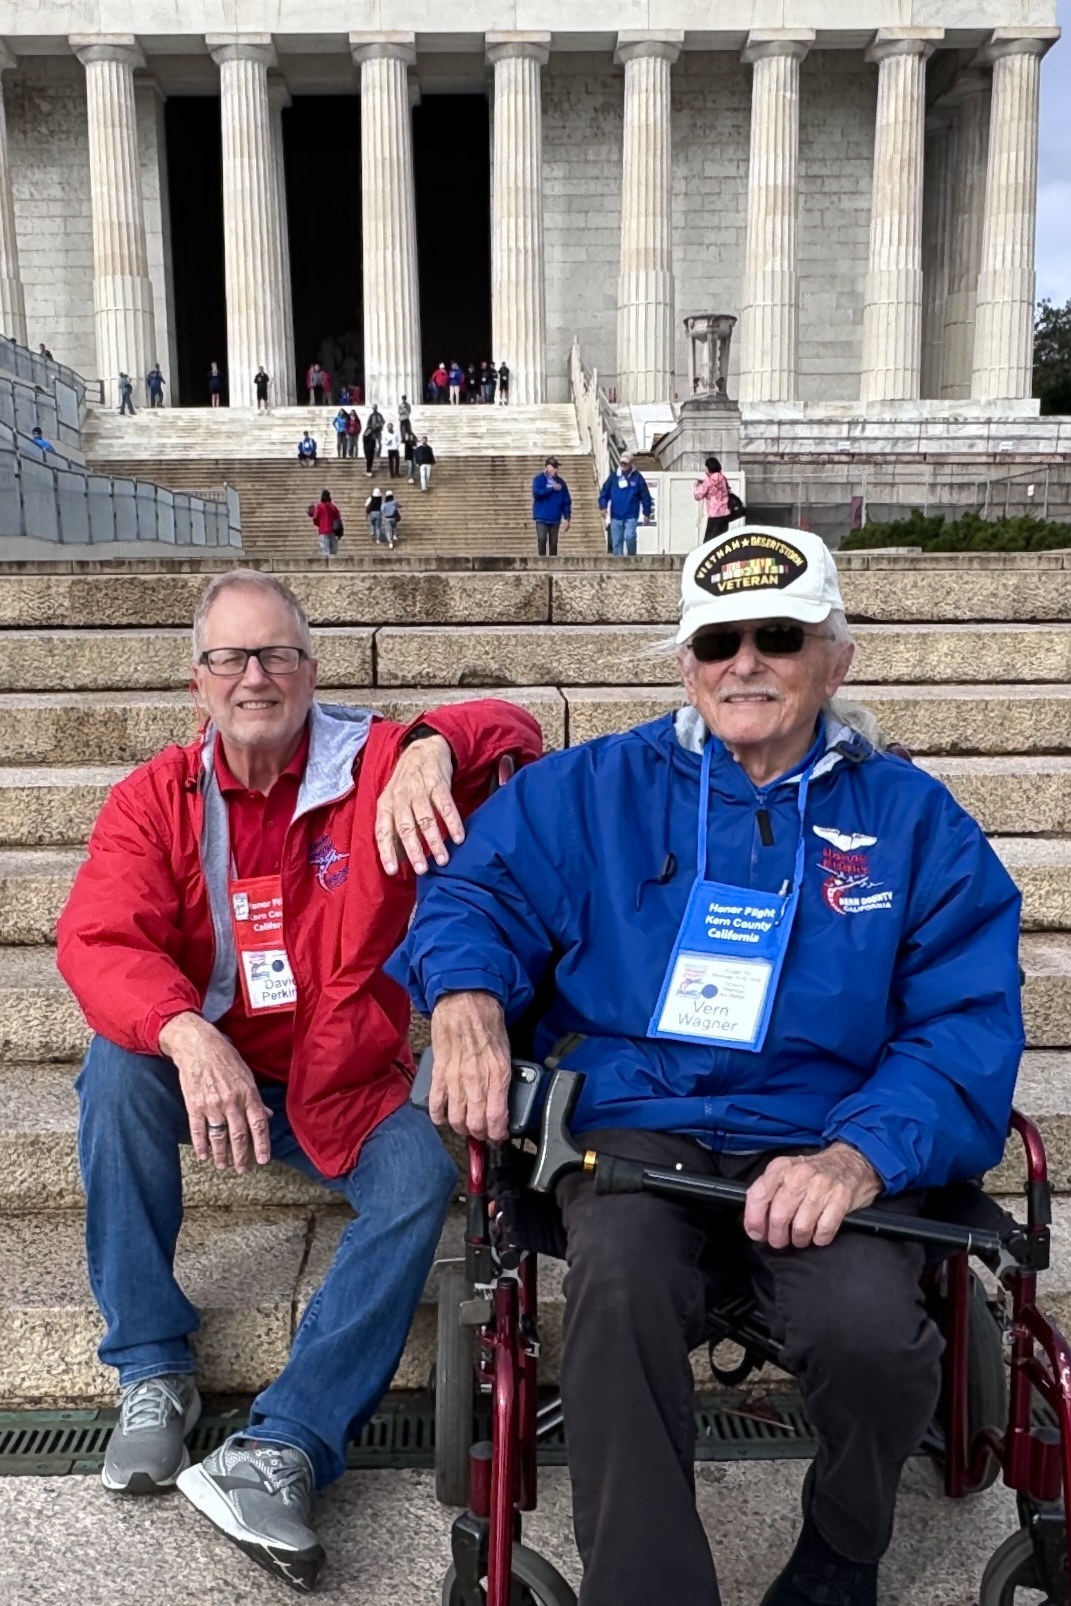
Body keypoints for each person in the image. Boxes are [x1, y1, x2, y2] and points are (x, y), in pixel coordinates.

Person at [389, 524, 1025, 1606]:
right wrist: (462, 994)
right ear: (686, 662)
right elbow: (473, 894)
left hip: (829, 1132)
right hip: (639, 1121)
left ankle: (839, 1554)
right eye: (717, 638)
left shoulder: (915, 823)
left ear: (837, 656)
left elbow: (964, 1019)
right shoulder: (593, 790)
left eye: (778, 635)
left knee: (874, 1329)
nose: (745, 661)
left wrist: (863, 1155)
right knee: (621, 1278)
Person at [56, 570, 542, 1591]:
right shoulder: (157, 797)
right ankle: (152, 1365)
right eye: (230, 657)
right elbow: (100, 940)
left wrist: (434, 742)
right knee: (114, 1074)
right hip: (210, 1068)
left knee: (421, 1177)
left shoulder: (376, 765)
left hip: (340, 1081)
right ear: (198, 682)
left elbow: (517, 730)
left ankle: (284, 1444)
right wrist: (185, 1032)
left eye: (278, 653)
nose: (256, 676)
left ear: (313, 671)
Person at [598, 451, 653, 557]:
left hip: (631, 515)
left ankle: (632, 558)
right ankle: (618, 567)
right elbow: (604, 492)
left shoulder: (637, 478)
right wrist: (603, 506)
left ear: (631, 463)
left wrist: (647, 512)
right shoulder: (613, 477)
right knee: (617, 542)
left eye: (626, 463)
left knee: (629, 537)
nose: (623, 465)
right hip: (616, 516)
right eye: (622, 463)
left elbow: (645, 496)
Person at [531, 457, 572, 557]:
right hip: (541, 516)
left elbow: (566, 500)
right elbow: (537, 493)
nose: (556, 469)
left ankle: (553, 567)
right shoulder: (539, 479)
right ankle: (542, 561)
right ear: (547, 467)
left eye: (557, 467)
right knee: (542, 539)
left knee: (553, 543)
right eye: (554, 467)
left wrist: (567, 517)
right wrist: (550, 489)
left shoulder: (561, 483)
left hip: (555, 517)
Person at [693, 454, 732, 541]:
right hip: (725, 514)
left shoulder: (708, 481)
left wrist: (696, 486)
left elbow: (698, 495)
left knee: (708, 543)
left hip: (715, 516)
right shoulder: (723, 478)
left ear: (708, 468)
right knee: (721, 543)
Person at [307, 488, 343, 556]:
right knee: (333, 551)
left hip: (323, 530)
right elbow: (338, 519)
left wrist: (319, 524)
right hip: (332, 531)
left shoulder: (319, 506)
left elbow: (315, 518)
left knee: (325, 550)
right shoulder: (333, 507)